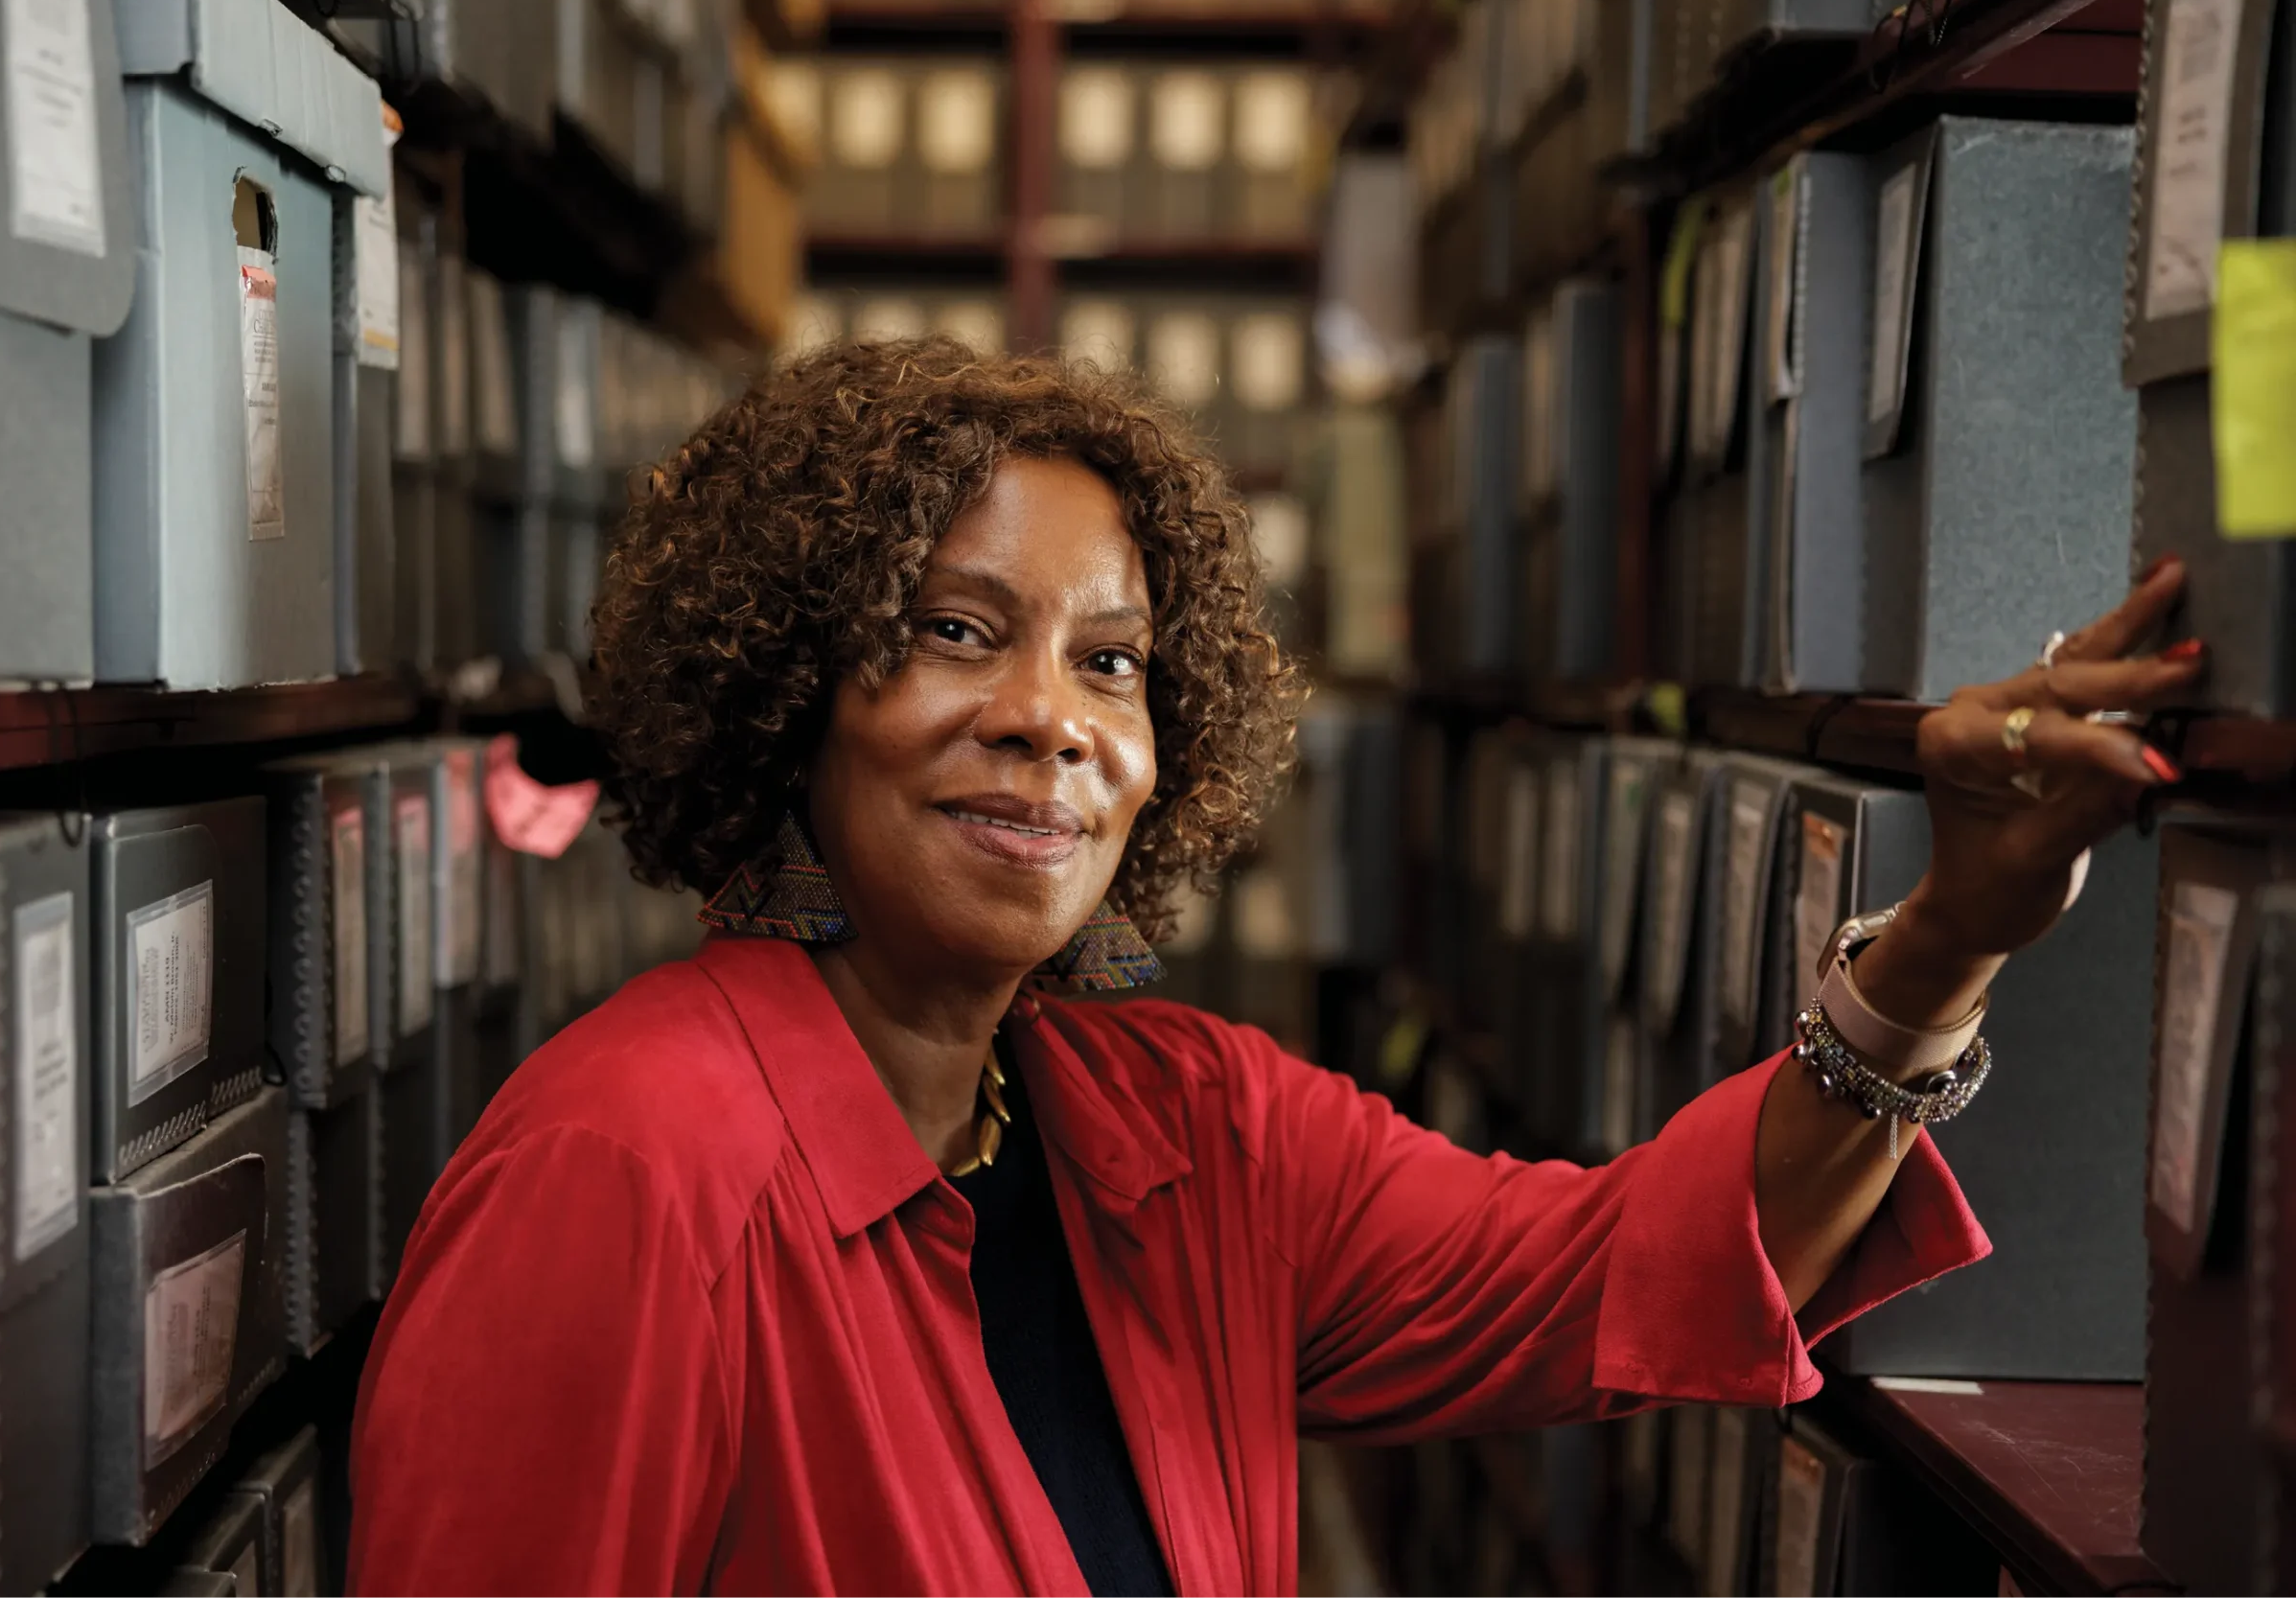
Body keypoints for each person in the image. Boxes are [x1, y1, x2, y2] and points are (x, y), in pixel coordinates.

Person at [347, 339, 2200, 1596]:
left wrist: (1950, 928)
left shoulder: (1182, 1130)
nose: (1048, 722)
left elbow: (1613, 1273)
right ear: (785, 694)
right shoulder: (625, 1171)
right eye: (952, 632)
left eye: (1112, 662)